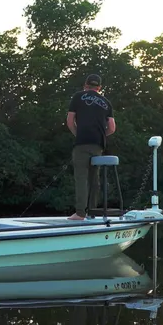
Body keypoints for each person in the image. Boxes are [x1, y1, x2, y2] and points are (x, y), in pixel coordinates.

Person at [66, 74, 115, 220]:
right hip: (98, 144)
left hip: (81, 142)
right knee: (94, 178)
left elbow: (69, 121)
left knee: (81, 177)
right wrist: (101, 135)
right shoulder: (106, 102)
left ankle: (80, 213)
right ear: (99, 87)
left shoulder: (77, 96)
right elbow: (112, 127)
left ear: (85, 85)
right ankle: (92, 211)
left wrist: (77, 134)